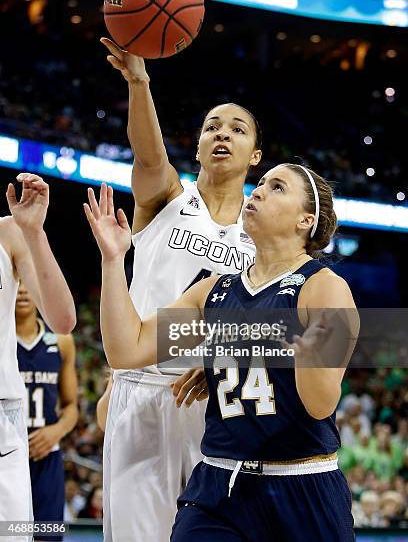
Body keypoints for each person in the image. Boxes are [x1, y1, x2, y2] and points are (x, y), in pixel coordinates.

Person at [85, 162, 359, 541]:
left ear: (305, 220)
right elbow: (127, 349)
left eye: (277, 187)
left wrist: (291, 352)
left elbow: (319, 404)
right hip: (218, 486)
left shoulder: (324, 289)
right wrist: (113, 261)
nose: (258, 191)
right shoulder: (214, 291)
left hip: (300, 485)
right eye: (261, 183)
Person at [97, 38, 262, 541]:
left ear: (255, 155)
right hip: (143, 387)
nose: (222, 133)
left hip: (213, 404)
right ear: (195, 147)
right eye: (212, 125)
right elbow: (148, 157)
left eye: (237, 129)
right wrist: (139, 83)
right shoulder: (168, 197)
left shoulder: (262, 236)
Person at [0, 172, 76, 541]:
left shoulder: (9, 232)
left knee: (37, 534)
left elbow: (63, 321)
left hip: (13, 425)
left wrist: (34, 232)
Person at [16, 282, 78, 542]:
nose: (21, 291)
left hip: (46, 456)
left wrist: (57, 430)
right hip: (8, 453)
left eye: (27, 283)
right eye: (14, 284)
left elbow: (71, 406)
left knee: (47, 535)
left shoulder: (62, 341)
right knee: (9, 532)